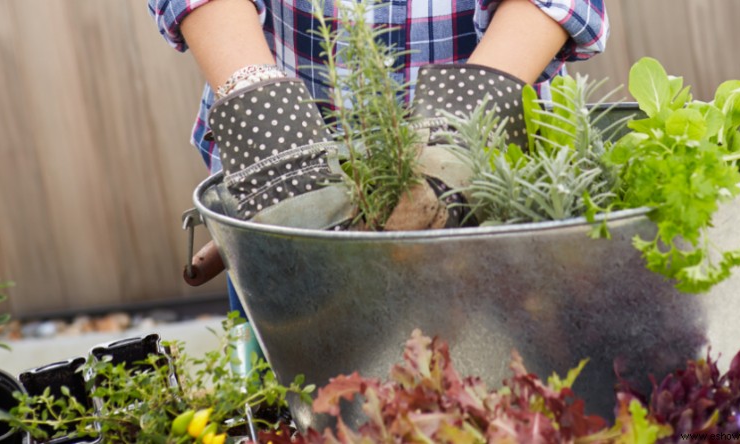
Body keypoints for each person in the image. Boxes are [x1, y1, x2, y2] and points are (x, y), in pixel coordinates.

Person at [148, 0, 609, 358]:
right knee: (305, 411)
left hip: (492, 207)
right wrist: (276, 149)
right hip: (280, 203)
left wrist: (455, 144)